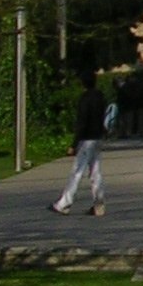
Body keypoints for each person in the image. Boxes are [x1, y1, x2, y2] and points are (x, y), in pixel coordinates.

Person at [50, 70, 108, 217]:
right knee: (96, 172)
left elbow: (82, 122)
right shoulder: (100, 96)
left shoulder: (85, 99)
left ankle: (64, 203)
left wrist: (74, 144)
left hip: (86, 138)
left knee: (77, 171)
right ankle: (99, 203)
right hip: (98, 137)